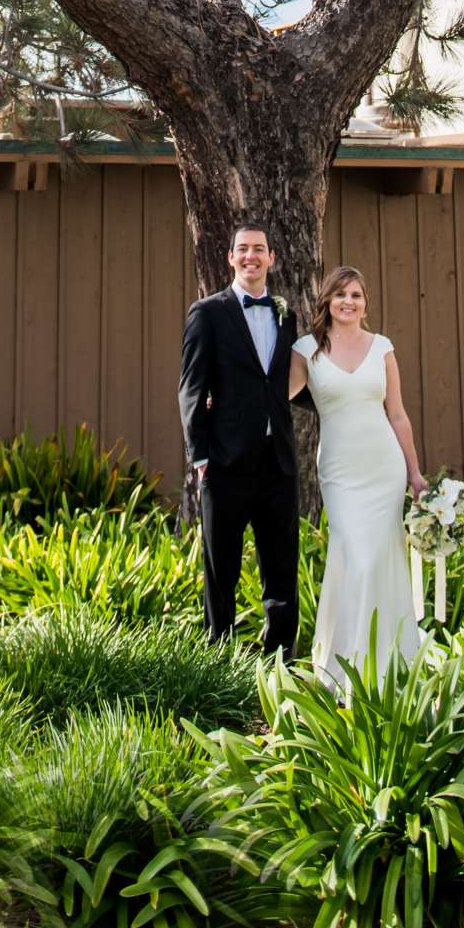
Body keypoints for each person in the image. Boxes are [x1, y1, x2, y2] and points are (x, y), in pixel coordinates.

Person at [289, 264, 424, 691]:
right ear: (326, 301)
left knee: (379, 559)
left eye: (357, 295)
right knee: (354, 557)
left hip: (384, 467)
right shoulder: (306, 349)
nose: (349, 302)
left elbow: (397, 414)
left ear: (365, 304)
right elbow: (274, 396)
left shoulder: (382, 347)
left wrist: (416, 474)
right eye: (341, 294)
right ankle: (341, 663)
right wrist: (224, 399)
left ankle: (388, 659)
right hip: (341, 472)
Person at [177, 223, 300, 656]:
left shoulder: (286, 313)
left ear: (271, 259)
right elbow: (191, 388)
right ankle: (218, 657)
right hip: (226, 460)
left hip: (278, 461)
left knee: (281, 564)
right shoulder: (207, 312)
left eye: (259, 249)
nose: (251, 256)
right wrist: (200, 457)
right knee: (221, 566)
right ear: (230, 258)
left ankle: (281, 658)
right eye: (243, 249)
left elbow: (289, 382)